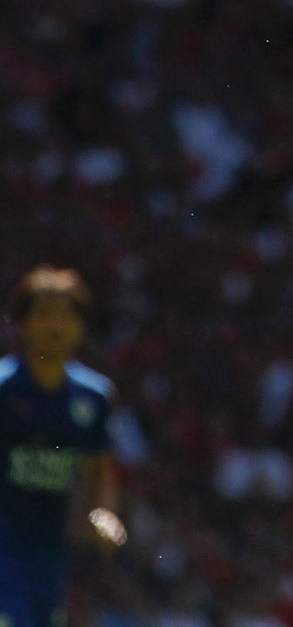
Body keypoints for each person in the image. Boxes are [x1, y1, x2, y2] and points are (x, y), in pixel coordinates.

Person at [0, 267, 126, 627]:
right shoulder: (3, 390)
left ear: (82, 326)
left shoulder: (93, 398)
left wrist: (104, 515)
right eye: (44, 313)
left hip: (49, 554)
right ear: (21, 324)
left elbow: (100, 471)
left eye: (67, 314)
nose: (56, 324)